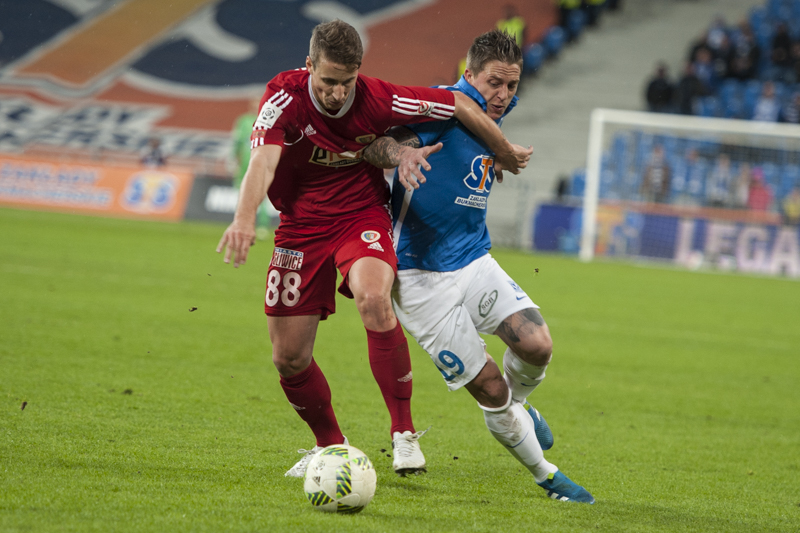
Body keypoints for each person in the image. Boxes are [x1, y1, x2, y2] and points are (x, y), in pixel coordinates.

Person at [216, 20, 532, 479]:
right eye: (327, 82)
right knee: (289, 358)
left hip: (359, 214)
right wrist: (244, 220)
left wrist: (500, 148)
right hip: (300, 228)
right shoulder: (282, 98)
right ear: (309, 67)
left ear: (358, 73)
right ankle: (331, 446)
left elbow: (460, 103)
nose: (336, 94)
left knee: (372, 296)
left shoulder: (379, 96)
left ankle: (403, 434)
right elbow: (263, 162)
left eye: (346, 82)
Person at [364, 30, 594, 503]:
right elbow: (376, 146)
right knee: (490, 389)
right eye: (494, 83)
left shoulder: (495, 114)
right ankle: (547, 476)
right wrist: (403, 154)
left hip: (471, 258)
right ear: (468, 74)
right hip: (419, 275)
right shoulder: (443, 107)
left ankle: (523, 407)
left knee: (537, 344)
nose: (503, 95)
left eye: (512, 86)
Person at [230, 97, 274, 234]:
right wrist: (234, 158)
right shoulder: (243, 121)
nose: (257, 107)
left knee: (261, 193)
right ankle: (240, 222)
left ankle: (262, 225)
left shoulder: (269, 120)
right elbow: (237, 142)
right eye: (255, 104)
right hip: (244, 162)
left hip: (261, 163)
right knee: (242, 193)